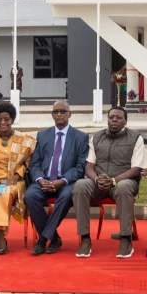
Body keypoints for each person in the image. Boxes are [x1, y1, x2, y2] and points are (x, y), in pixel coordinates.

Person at [72, 106, 144, 259]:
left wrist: (113, 180)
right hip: (99, 183)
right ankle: (85, 239)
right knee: (80, 185)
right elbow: (89, 166)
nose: (114, 120)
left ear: (125, 121)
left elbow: (136, 168)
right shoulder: (96, 137)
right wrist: (96, 179)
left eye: (118, 118)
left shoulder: (135, 137)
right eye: (111, 117)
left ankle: (125, 239)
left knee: (124, 188)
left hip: (124, 181)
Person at [25, 100, 89, 255]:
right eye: (56, 112)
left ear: (70, 114)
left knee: (67, 196)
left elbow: (80, 167)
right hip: (44, 181)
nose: (59, 114)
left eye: (63, 111)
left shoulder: (80, 137)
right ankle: (53, 238)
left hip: (66, 182)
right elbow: (35, 164)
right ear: (52, 115)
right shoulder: (42, 135)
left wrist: (61, 181)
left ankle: (42, 240)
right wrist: (41, 180)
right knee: (29, 196)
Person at [0, 102, 36, 254]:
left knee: (2, 194)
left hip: (15, 182)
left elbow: (28, 163)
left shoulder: (24, 139)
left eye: (6, 119)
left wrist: (17, 175)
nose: (3, 122)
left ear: (12, 120)